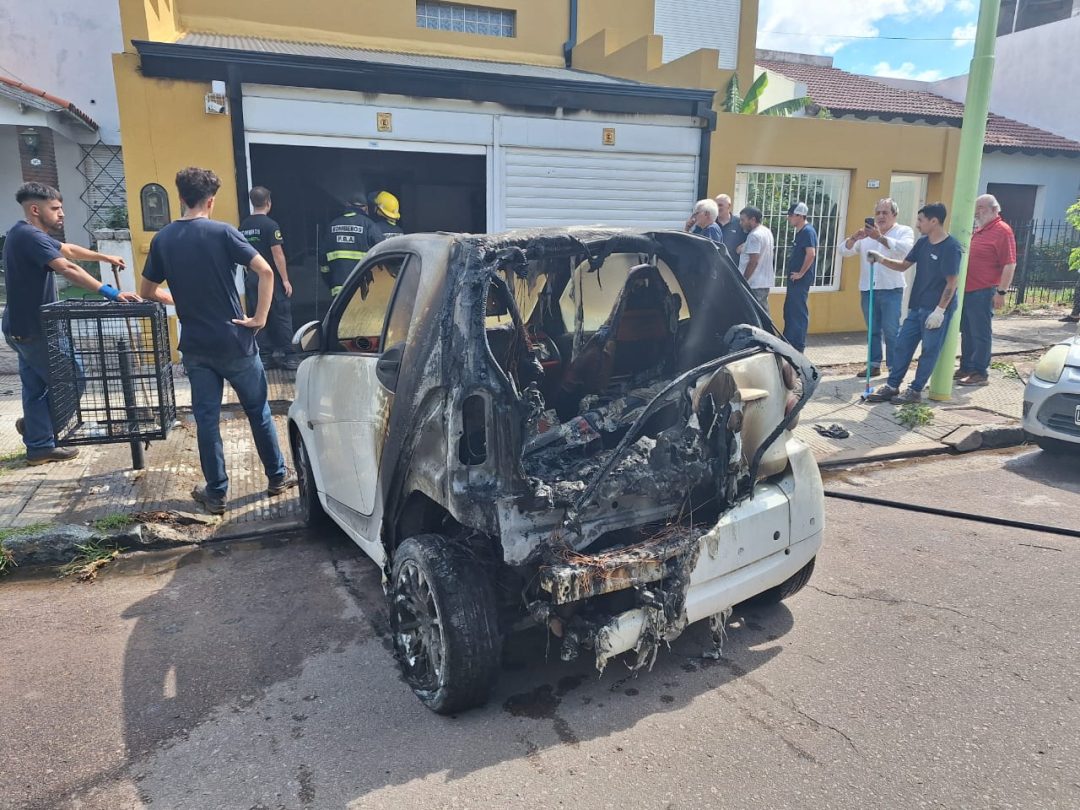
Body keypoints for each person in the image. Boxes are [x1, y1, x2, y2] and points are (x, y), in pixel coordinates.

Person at [138, 167, 296, 515]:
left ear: (180, 197)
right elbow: (266, 271)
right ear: (211, 200)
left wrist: (178, 301)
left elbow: (147, 292)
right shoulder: (223, 232)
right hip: (235, 342)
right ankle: (277, 477)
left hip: (196, 345)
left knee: (207, 420)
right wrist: (260, 318)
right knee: (259, 412)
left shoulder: (163, 238)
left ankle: (217, 493)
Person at [2, 182, 138, 465]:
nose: (62, 214)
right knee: (72, 378)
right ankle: (38, 434)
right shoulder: (29, 236)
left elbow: (69, 251)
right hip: (36, 327)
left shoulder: (22, 232)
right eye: (56, 209)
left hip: (21, 325)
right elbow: (68, 267)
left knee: (35, 387)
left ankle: (39, 442)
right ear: (36, 210)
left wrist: (103, 256)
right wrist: (112, 293)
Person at [865, 202, 962, 405]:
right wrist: (881, 259)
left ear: (934, 221)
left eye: (921, 220)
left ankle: (915, 390)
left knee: (929, 350)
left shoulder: (951, 247)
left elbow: (952, 282)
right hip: (917, 305)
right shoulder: (922, 243)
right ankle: (892, 386)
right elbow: (903, 266)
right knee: (902, 344)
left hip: (936, 309)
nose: (917, 224)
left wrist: (940, 311)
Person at [839, 198, 915, 378]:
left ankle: (893, 368)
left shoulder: (903, 231)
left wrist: (879, 238)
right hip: (868, 288)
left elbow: (905, 250)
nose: (880, 216)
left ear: (894, 215)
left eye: (885, 213)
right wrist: (854, 238)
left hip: (891, 288)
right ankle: (873, 365)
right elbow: (844, 251)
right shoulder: (867, 234)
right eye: (878, 213)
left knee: (891, 330)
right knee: (872, 329)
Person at [956, 194, 1016, 386]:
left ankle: (979, 371)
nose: (977, 212)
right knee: (967, 330)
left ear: (994, 209)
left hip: (984, 289)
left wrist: (1001, 292)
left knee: (980, 332)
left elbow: (1009, 263)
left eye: (981, 208)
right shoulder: (980, 230)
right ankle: (966, 366)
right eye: (977, 208)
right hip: (968, 289)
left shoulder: (1002, 231)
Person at [239, 186, 297, 370]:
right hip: (271, 279)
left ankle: (264, 356)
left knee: (258, 315)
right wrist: (285, 279)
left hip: (253, 279)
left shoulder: (243, 226)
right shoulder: (271, 226)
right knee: (281, 315)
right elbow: (277, 254)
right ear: (268, 203)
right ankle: (289, 356)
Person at [321, 191, 381, 298]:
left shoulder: (332, 226)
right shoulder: (369, 225)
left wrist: (331, 283)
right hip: (362, 288)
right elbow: (382, 250)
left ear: (347, 205)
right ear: (366, 208)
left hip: (339, 288)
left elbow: (323, 260)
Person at [782, 202, 817, 352]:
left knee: (798, 311)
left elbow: (811, 254)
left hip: (800, 279)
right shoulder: (801, 232)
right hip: (795, 278)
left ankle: (798, 344)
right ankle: (789, 340)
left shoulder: (808, 232)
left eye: (791, 216)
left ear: (800, 216)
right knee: (790, 309)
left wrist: (801, 273)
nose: (789, 219)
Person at [737, 205, 775, 309]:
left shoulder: (754, 235)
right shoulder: (766, 231)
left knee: (754, 316)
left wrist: (743, 280)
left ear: (753, 219)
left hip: (753, 283)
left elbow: (753, 261)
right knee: (762, 315)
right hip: (762, 283)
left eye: (743, 220)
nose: (741, 223)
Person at [714, 193, 748, 260]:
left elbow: (751, 239)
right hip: (714, 266)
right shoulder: (711, 223)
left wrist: (744, 246)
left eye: (720, 205)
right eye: (715, 205)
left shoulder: (740, 223)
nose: (717, 208)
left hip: (733, 267)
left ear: (729, 206)